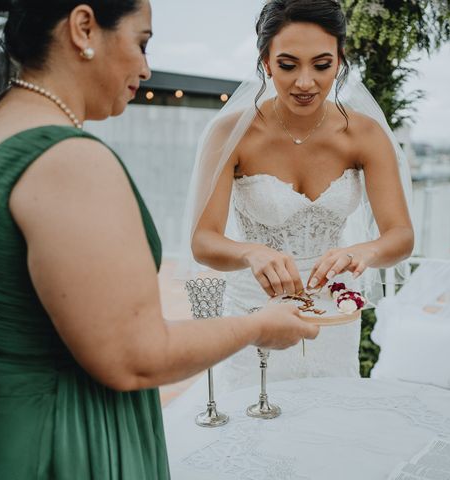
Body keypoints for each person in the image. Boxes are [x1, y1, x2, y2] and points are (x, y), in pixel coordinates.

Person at [0, 1, 318, 478]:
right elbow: (136, 356)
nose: (146, 68)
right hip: (58, 444)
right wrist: (258, 327)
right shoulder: (65, 158)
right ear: (84, 27)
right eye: (141, 42)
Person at [177, 0, 413, 396]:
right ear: (266, 62)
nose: (305, 82)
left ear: (340, 61)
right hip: (256, 311)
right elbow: (204, 241)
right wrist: (251, 253)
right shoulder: (231, 133)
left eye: (321, 65)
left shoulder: (365, 134)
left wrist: (363, 253)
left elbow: (400, 236)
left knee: (331, 422)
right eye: (288, 65)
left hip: (334, 315)